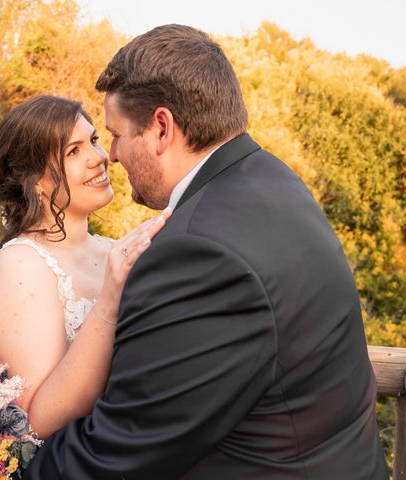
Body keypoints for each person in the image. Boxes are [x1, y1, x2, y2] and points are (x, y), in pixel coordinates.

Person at [22, 25, 389, 479]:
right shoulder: (274, 179)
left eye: (116, 134)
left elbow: (119, 452)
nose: (111, 156)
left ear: (161, 128)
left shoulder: (199, 251)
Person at [0, 95, 171, 440]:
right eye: (74, 151)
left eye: (95, 141)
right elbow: (36, 424)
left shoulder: (113, 250)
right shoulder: (21, 264)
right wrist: (110, 299)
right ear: (36, 179)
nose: (100, 158)